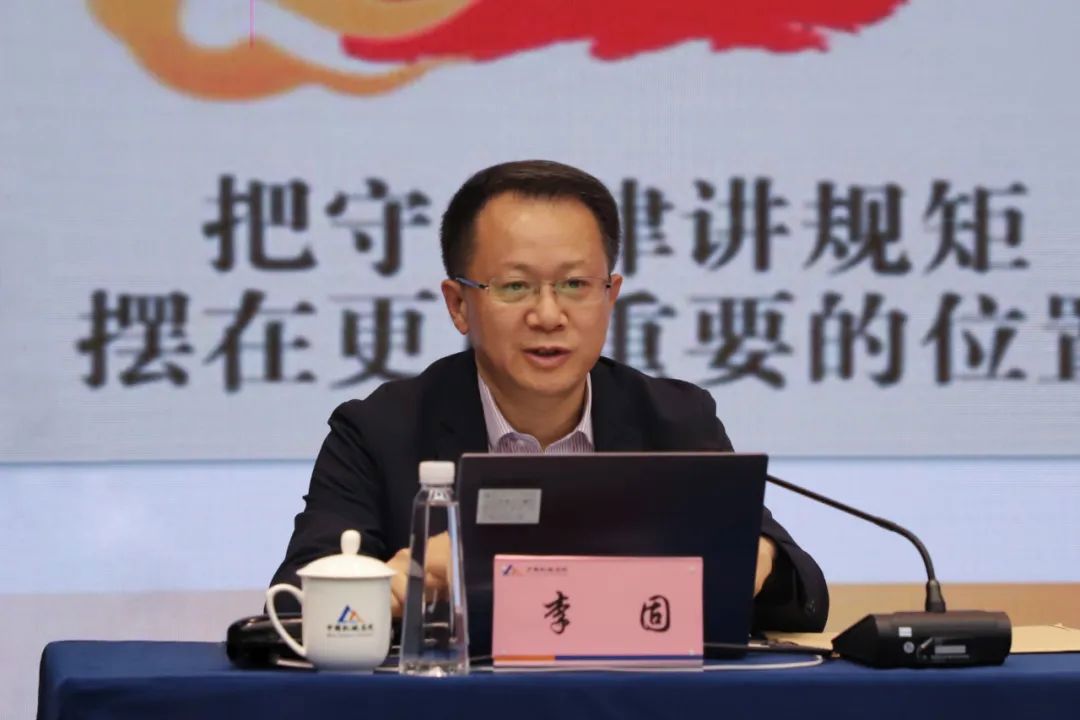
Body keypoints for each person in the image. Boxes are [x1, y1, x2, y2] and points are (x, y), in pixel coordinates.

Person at [270, 159, 828, 631]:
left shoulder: (674, 420)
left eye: (575, 285)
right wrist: (395, 583)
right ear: (459, 304)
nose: (548, 314)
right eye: (515, 286)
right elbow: (293, 605)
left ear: (610, 296)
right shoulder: (380, 431)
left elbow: (801, 596)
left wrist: (759, 559)